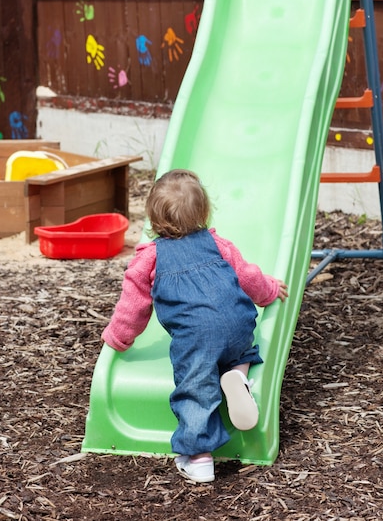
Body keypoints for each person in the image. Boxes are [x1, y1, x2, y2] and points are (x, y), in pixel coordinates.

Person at [101, 169, 288, 483]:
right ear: (204, 213)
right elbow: (248, 277)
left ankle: (199, 458)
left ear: (153, 219)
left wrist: (118, 338)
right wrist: (269, 290)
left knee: (197, 387)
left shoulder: (149, 258)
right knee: (240, 349)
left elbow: (133, 309)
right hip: (239, 323)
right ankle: (238, 376)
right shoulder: (218, 244)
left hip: (197, 338)